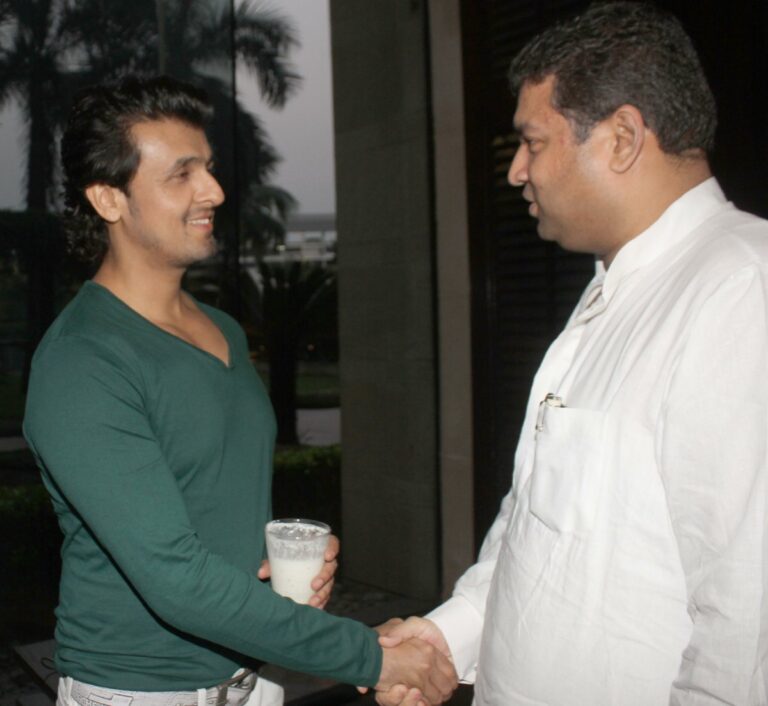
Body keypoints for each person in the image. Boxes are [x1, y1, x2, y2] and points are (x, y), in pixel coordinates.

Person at [376, 2, 768, 705]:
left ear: (620, 138)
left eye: (532, 141)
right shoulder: (617, 289)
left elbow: (748, 625)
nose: (516, 172)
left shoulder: (741, 290)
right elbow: (538, 526)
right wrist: (444, 639)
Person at [23, 75, 457, 706]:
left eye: (211, 168)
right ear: (109, 199)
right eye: (183, 174)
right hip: (139, 691)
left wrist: (285, 556)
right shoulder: (82, 360)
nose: (215, 191)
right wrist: (370, 657)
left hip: (255, 679)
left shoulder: (221, 328)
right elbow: (174, 578)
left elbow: (213, 494)